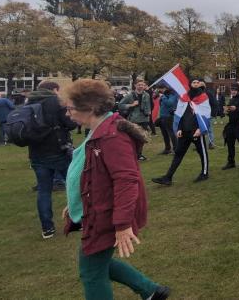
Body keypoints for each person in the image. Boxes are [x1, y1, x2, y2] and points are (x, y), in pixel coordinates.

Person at [60, 79, 170, 300]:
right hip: (98, 210)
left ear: (89, 108)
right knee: (98, 262)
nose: (67, 114)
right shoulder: (98, 130)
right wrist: (75, 202)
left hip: (107, 215)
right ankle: (151, 291)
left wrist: (122, 225)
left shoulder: (112, 136)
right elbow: (92, 173)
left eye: (70, 108)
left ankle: (151, 291)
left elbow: (126, 181)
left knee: (91, 271)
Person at [26, 81, 77, 239]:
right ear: (54, 90)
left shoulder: (29, 101)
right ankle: (77, 219)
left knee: (43, 190)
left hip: (36, 152)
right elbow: (69, 123)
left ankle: (47, 228)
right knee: (73, 185)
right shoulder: (55, 102)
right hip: (58, 149)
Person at [151, 79, 210, 186]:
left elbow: (206, 114)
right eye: (194, 82)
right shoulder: (184, 97)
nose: (196, 84)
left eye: (197, 82)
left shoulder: (203, 97)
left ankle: (204, 173)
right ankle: (168, 177)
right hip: (184, 131)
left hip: (196, 131)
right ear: (190, 84)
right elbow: (179, 113)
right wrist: (179, 128)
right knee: (178, 154)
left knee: (202, 153)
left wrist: (200, 129)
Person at [118, 80, 152, 161]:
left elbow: (148, 105)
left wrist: (149, 112)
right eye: (139, 85)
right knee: (133, 138)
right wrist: (131, 105)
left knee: (142, 138)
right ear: (135, 85)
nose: (141, 86)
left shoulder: (146, 95)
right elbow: (120, 105)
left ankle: (139, 154)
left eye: (142, 85)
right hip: (134, 119)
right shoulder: (130, 95)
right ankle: (132, 154)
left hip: (144, 119)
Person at [222, 82, 239, 170]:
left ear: (238, 90)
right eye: (232, 90)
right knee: (230, 143)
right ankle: (231, 162)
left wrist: (236, 109)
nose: (233, 91)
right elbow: (230, 112)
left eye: (234, 90)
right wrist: (227, 111)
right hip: (231, 125)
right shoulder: (232, 99)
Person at [156, 88, 178, 155]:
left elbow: (170, 103)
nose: (161, 90)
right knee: (164, 133)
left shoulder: (173, 94)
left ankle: (176, 149)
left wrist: (163, 97)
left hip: (169, 117)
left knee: (171, 132)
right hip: (163, 116)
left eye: (163, 88)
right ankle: (167, 149)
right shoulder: (166, 95)